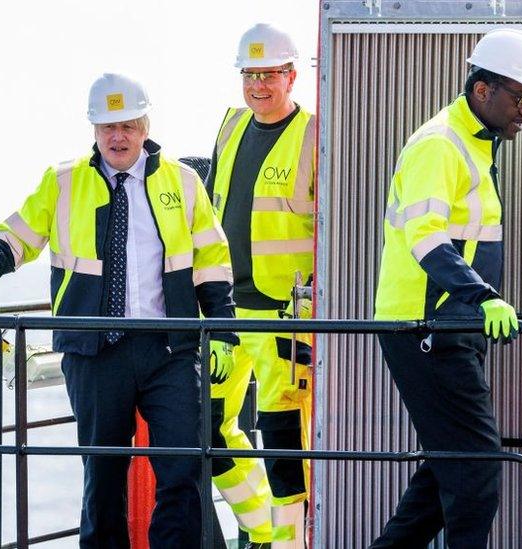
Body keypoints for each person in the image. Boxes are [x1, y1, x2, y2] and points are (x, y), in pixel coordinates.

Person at [0, 73, 238, 549]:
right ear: (94, 131)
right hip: (95, 351)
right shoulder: (62, 182)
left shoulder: (183, 182)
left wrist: (222, 332)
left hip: (170, 350)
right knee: (101, 475)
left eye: (126, 125)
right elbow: (19, 234)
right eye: (107, 128)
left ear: (144, 126)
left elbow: (210, 260)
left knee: (184, 467)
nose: (116, 137)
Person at [371, 29, 522, 548]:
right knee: (475, 475)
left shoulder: (472, 143)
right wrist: (484, 296)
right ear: (482, 91)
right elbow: (425, 240)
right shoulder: (439, 144)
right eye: (521, 99)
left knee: (443, 477)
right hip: (428, 329)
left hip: (453, 327)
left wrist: (475, 306)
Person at [205, 22, 316, 549]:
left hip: (282, 314)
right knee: (206, 428)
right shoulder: (229, 127)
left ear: (291, 76)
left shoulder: (316, 136)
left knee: (283, 439)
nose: (258, 86)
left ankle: (290, 543)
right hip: (224, 312)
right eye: (250, 75)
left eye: (269, 75)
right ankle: (263, 532)